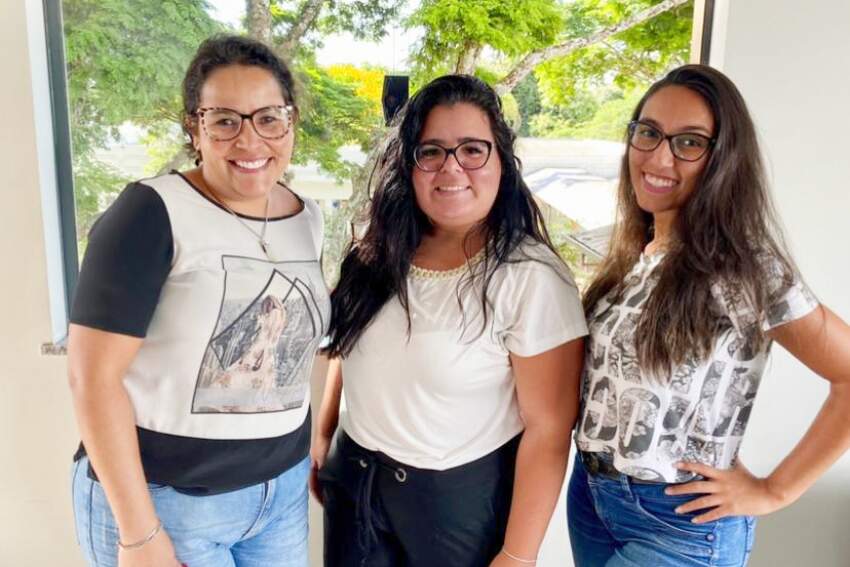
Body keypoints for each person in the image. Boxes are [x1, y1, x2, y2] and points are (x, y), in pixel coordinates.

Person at [567, 64, 850, 567]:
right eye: (648, 132)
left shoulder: (747, 268)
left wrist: (774, 491)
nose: (658, 157)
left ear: (723, 160)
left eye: (689, 143)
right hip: (591, 499)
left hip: (679, 521)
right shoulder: (635, 254)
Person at [67, 35, 328, 567]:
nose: (250, 140)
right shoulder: (151, 212)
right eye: (225, 120)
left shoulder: (308, 217)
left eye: (269, 117)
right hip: (168, 500)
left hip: (279, 494)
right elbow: (91, 379)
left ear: (291, 122)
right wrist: (139, 535)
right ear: (195, 127)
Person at [313, 74, 588, 567]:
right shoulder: (377, 249)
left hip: (456, 510)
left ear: (501, 159)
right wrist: (323, 431)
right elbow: (344, 342)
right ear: (410, 163)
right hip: (356, 482)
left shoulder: (530, 276)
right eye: (432, 151)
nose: (451, 167)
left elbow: (549, 429)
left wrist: (518, 555)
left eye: (472, 149)